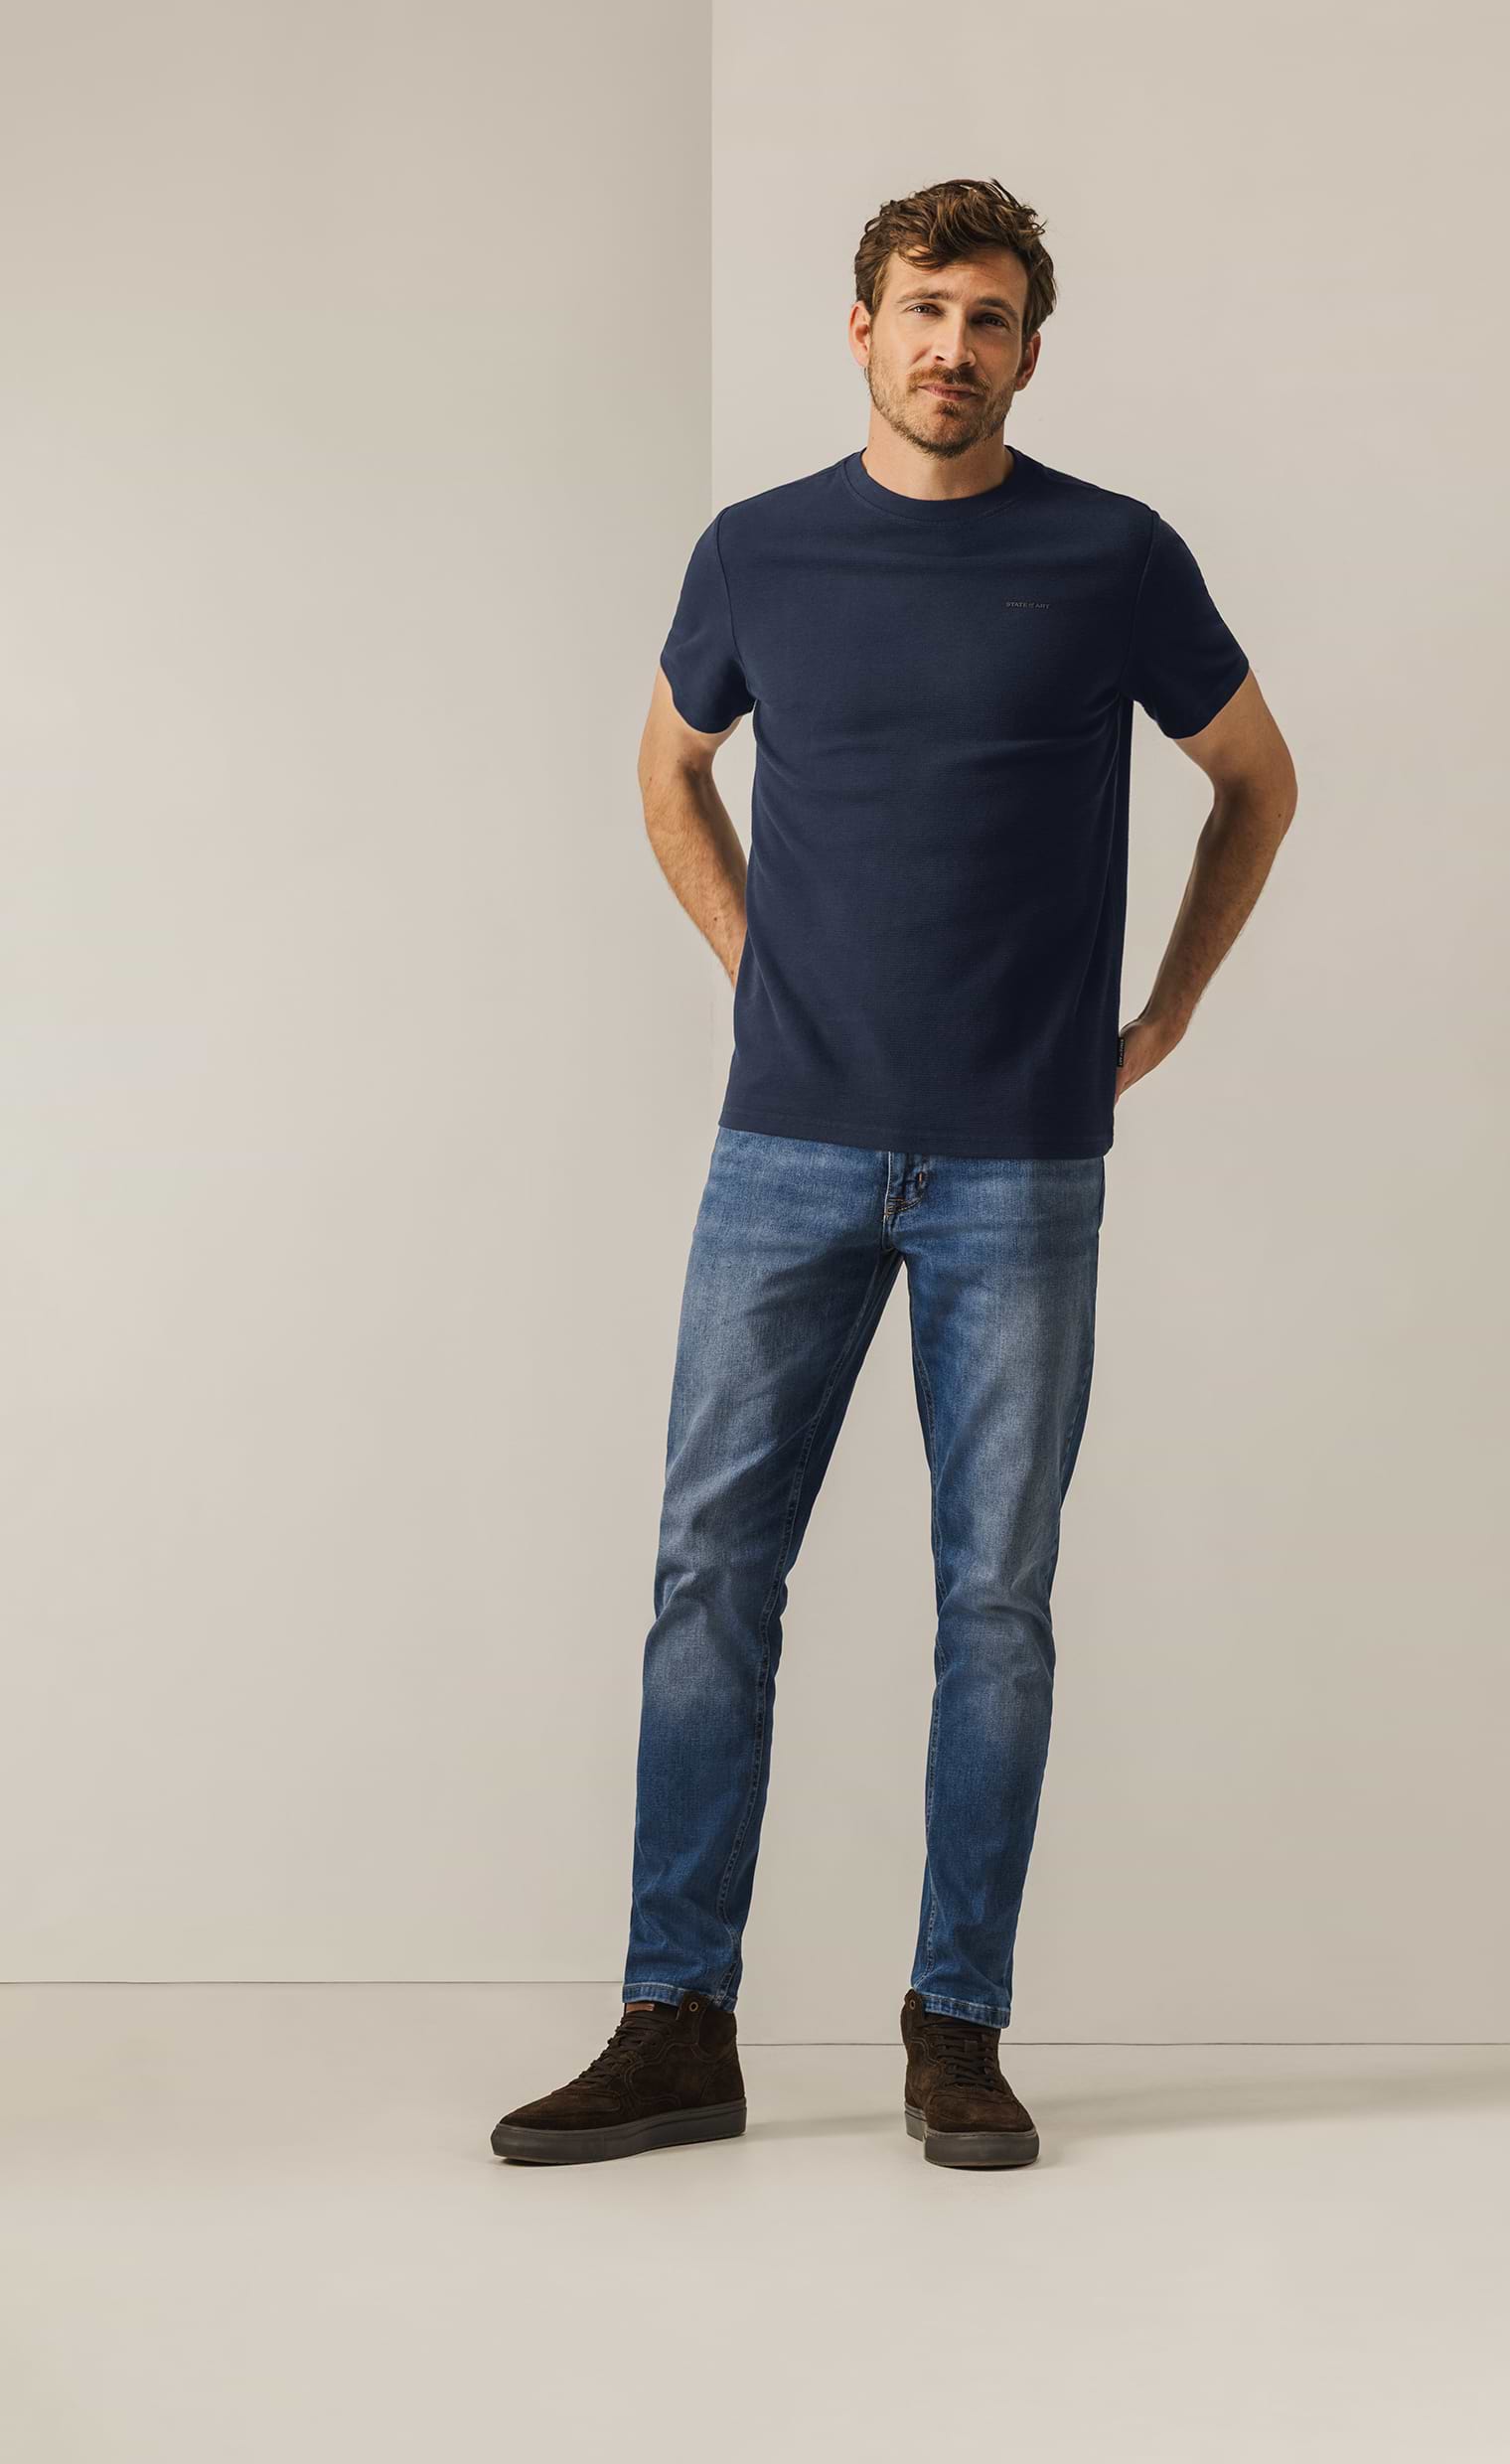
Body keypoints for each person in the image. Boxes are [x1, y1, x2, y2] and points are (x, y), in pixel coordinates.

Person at [491, 175, 1296, 2174]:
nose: (955, 346)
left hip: (1021, 1162)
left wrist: (1169, 1008)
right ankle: (676, 2023)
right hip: (787, 1145)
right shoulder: (757, 551)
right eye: (925, 309)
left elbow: (1256, 779)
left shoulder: (1112, 554)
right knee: (710, 1577)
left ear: (1028, 350)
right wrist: (755, 965)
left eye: (991, 317)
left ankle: (958, 2030)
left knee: (994, 1603)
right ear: (862, 326)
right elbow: (670, 768)